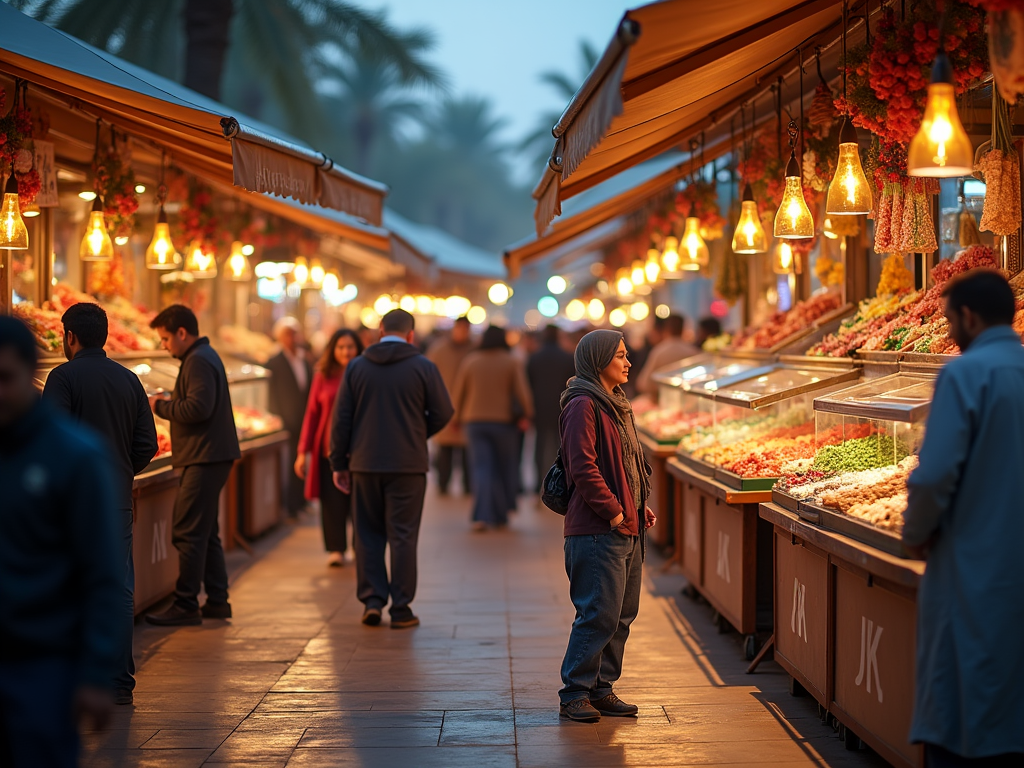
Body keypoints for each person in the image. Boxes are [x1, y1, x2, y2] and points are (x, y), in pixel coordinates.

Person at [902, 269, 1024, 768]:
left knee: (961, 699)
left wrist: (915, 533)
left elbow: (934, 477)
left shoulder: (964, 374)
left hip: (970, 566)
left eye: (951, 320)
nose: (950, 332)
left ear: (969, 317)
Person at [0, 316, 121, 766]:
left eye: (6, 379)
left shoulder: (75, 456)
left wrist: (95, 674)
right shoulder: (124, 381)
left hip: (44, 666)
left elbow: (102, 573)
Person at [42, 302, 158, 706]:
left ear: (69, 337)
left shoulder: (61, 377)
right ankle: (119, 682)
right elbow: (147, 443)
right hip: (115, 499)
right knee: (119, 589)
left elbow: (50, 438)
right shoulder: (129, 379)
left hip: (71, 504)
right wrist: (122, 470)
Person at [330, 309, 453, 629]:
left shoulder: (356, 367)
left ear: (379, 330)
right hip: (408, 465)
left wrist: (339, 463)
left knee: (367, 534)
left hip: (364, 463)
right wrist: (416, 433)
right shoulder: (424, 367)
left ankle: (372, 601)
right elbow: (443, 411)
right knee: (403, 534)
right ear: (411, 335)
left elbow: (341, 419)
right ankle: (401, 608)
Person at [557, 329, 656, 723]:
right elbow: (583, 467)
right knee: (598, 612)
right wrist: (615, 512)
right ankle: (574, 692)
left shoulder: (618, 403)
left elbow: (629, 463)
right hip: (597, 530)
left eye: (627, 354)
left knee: (621, 614)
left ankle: (602, 687)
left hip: (626, 526)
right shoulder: (582, 404)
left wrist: (638, 506)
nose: (628, 362)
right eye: (619, 356)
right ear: (598, 361)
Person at [146, 305, 241, 626]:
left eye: (165, 339)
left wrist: (160, 405)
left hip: (205, 456)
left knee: (186, 529)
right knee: (206, 531)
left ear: (182, 333)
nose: (164, 345)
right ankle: (217, 600)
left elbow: (199, 408)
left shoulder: (198, 360)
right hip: (210, 454)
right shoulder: (202, 356)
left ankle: (186, 603)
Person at [452, 325, 534, 531]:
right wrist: (527, 414)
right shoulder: (511, 361)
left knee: (481, 468)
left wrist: (455, 418)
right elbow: (522, 393)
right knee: (505, 467)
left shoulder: (471, 361)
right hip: (503, 423)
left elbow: (458, 392)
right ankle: (502, 512)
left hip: (474, 422)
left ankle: (481, 515)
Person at [296, 329, 363, 567]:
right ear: (333, 350)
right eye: (341, 347)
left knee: (360, 501)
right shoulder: (322, 376)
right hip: (327, 450)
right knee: (331, 502)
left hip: (359, 450)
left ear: (358, 348)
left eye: (350, 347)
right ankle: (336, 548)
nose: (346, 351)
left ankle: (360, 546)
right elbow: (312, 414)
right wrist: (302, 452)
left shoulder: (365, 373)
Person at [266, 316, 312, 520]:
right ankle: (291, 505)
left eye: (294, 333)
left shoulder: (303, 359)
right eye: (288, 334)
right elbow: (272, 394)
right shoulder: (274, 362)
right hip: (287, 421)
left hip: (304, 419)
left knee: (303, 462)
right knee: (290, 463)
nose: (292, 338)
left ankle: (302, 500)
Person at [426, 316, 475, 495]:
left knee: (466, 452)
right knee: (444, 450)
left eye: (465, 329)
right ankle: (443, 484)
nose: (462, 332)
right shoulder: (439, 350)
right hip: (444, 404)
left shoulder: (475, 349)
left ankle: (467, 485)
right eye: (460, 328)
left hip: (469, 406)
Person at [527, 324, 575, 493]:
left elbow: (528, 384)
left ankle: (538, 484)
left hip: (539, 408)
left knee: (539, 446)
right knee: (560, 448)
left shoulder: (534, 357)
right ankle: (559, 486)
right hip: (562, 408)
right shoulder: (567, 357)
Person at [635, 314, 699, 401]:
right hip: (689, 401)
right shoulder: (693, 351)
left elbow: (644, 384)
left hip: (663, 401)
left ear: (666, 330)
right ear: (683, 329)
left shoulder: (659, 351)